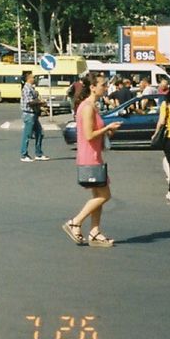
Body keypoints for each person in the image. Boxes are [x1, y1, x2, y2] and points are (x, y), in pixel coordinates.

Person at [63, 73, 122, 248]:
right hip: (89, 156)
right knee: (105, 195)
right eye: (103, 85)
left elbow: (94, 132)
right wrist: (108, 128)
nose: (105, 88)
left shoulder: (92, 106)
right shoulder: (87, 107)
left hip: (94, 154)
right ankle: (75, 222)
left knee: (98, 196)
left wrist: (108, 131)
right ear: (93, 87)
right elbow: (89, 135)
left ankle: (95, 232)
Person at [19, 70, 47, 161]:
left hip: (34, 114)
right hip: (29, 114)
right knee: (27, 135)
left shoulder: (31, 88)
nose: (34, 79)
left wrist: (40, 106)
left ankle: (38, 153)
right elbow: (29, 102)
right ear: (28, 79)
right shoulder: (26, 88)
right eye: (33, 77)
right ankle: (24, 155)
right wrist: (40, 102)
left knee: (39, 133)